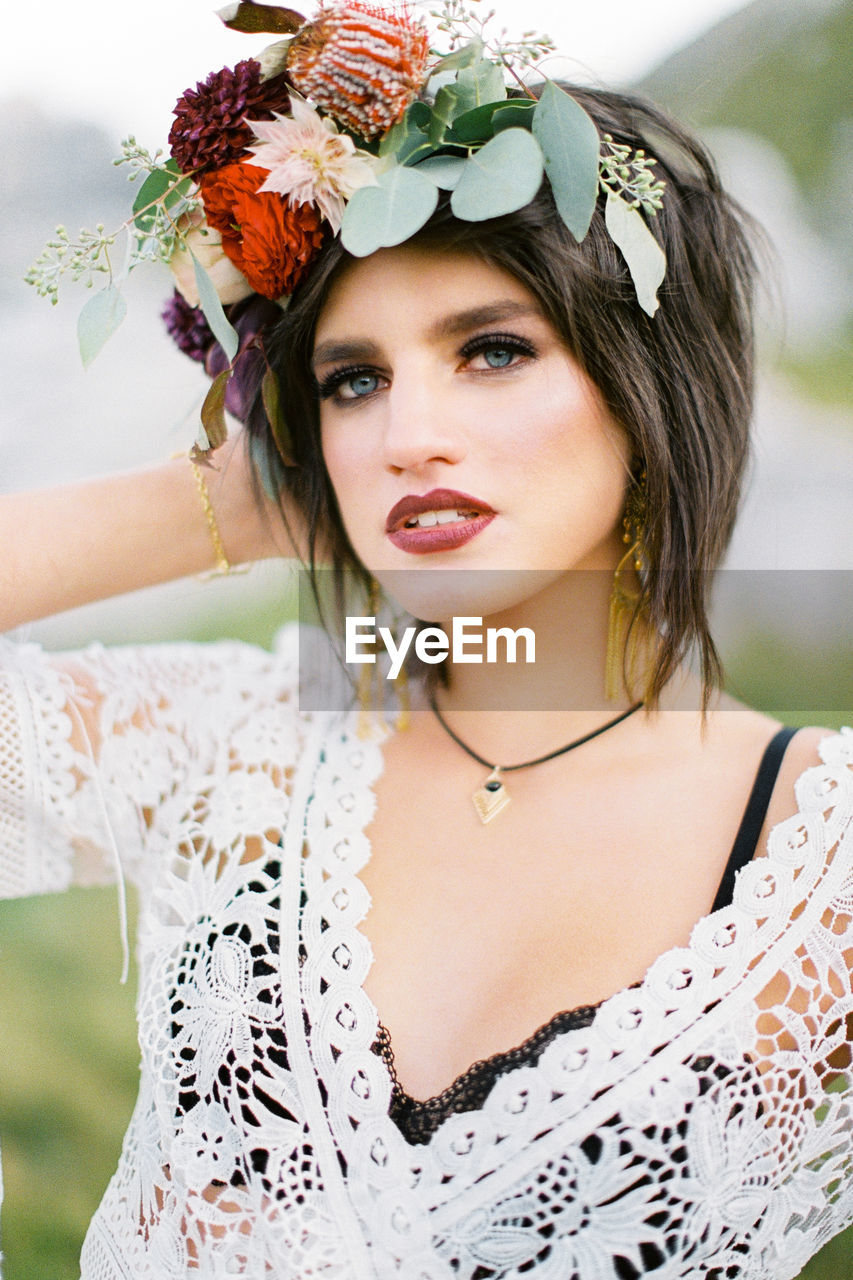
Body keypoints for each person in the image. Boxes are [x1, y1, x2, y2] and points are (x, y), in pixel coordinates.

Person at [2, 2, 852, 1276]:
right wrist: (222, 504)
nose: (408, 432)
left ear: (648, 384)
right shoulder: (240, 740)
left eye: (494, 349)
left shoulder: (818, 863)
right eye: (353, 378)